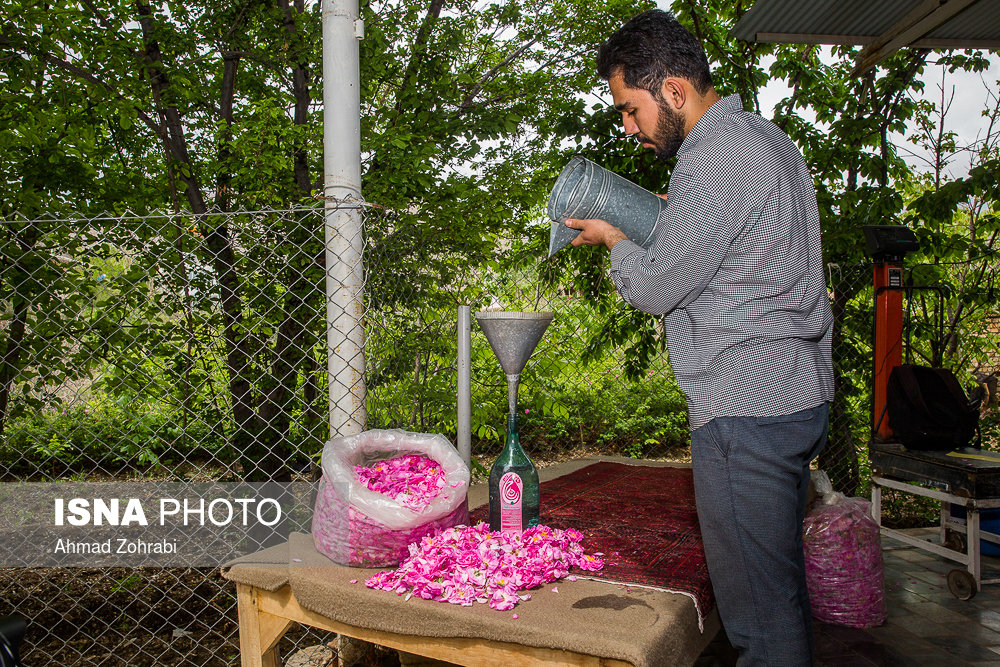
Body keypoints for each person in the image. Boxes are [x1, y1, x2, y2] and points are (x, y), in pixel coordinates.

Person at [564, 9, 834, 666]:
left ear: (674, 91)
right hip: (794, 393)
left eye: (630, 109)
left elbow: (657, 287)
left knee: (760, 624)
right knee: (778, 596)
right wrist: (664, 218)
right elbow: (732, 251)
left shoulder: (712, 160)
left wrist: (618, 241)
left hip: (747, 409)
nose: (629, 128)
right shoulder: (765, 139)